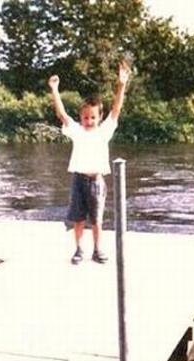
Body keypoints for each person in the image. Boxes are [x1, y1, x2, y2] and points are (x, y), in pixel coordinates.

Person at [48, 60, 131, 264]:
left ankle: (97, 250)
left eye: (92, 117)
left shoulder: (104, 131)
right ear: (81, 118)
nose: (88, 121)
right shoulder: (76, 130)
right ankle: (78, 250)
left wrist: (121, 84)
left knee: (97, 220)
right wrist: (55, 89)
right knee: (78, 219)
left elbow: (116, 109)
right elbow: (62, 114)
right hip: (79, 180)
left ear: (99, 117)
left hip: (97, 181)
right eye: (85, 117)